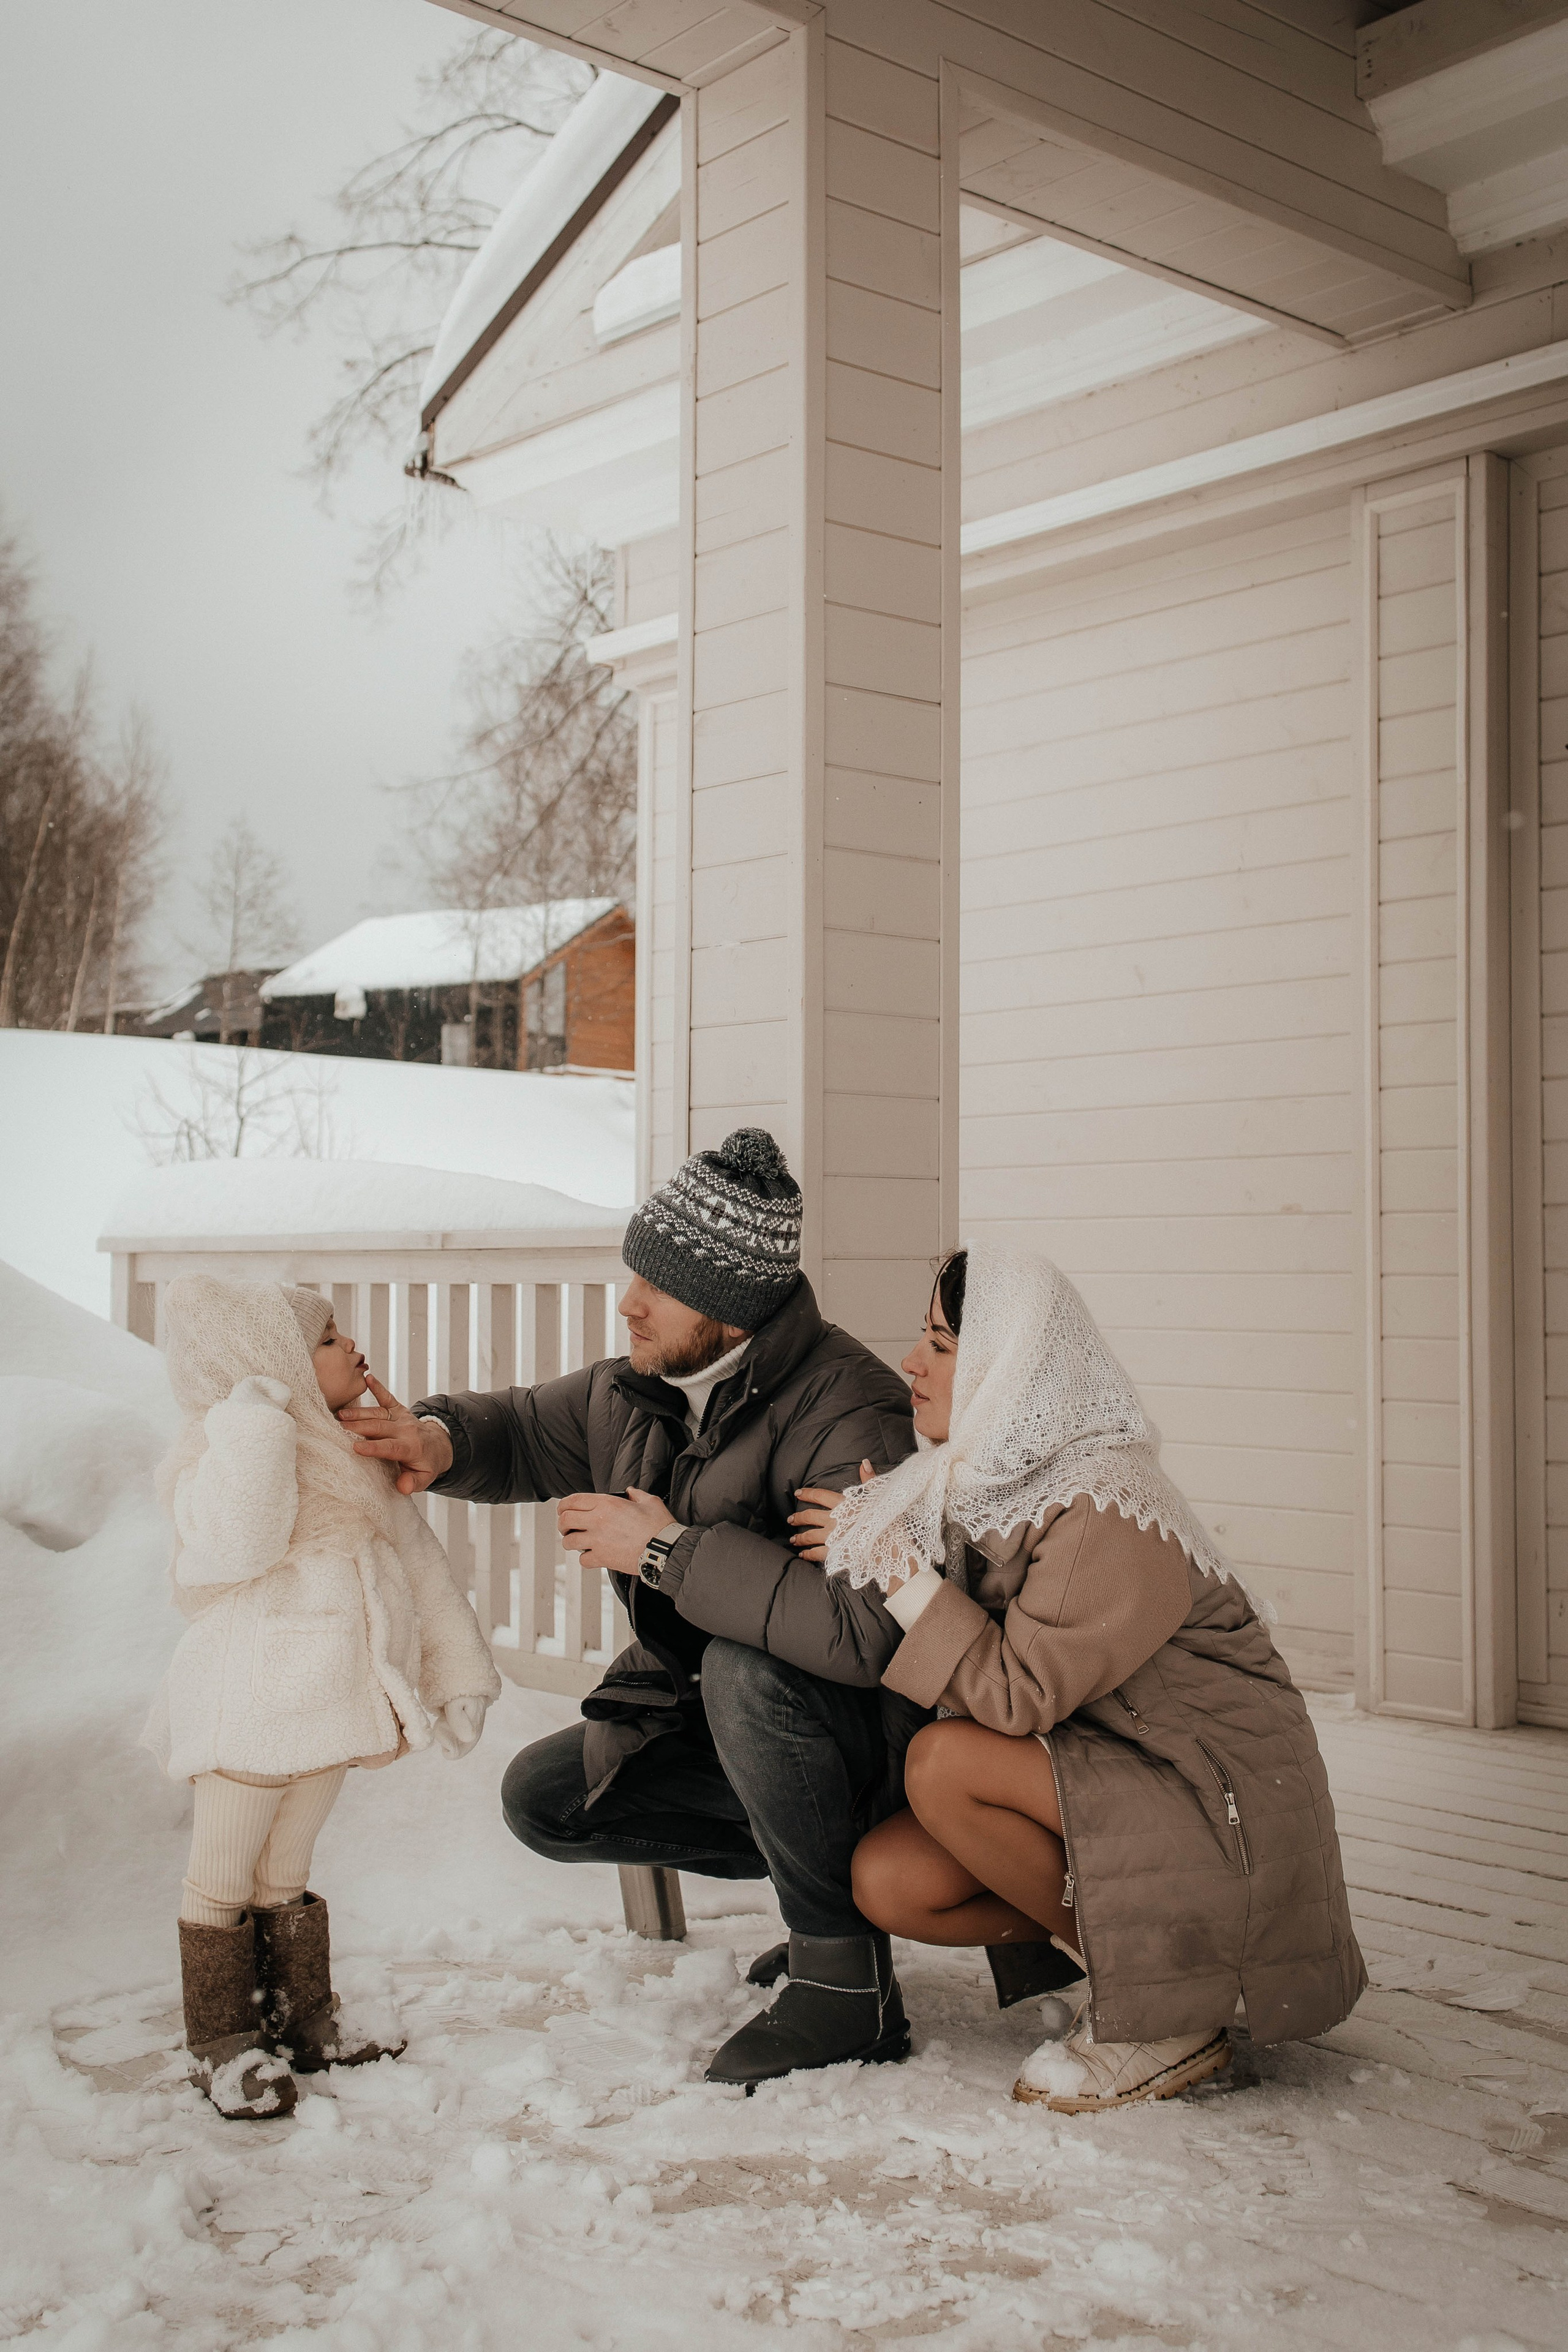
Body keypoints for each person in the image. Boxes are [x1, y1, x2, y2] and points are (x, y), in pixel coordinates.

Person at [341, 1128, 924, 2090]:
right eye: (634, 1276)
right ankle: (827, 1894)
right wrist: (441, 1440)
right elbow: (527, 1425)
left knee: (747, 1670)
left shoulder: (850, 1411)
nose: (630, 1304)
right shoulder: (642, 1386)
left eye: (660, 1287)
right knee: (549, 1799)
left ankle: (844, 1982)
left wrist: (667, 1551)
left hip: (865, 1740)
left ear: (730, 1306)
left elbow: (863, 1633)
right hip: (712, 1718)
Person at [791, 1243, 1366, 2114]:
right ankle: (1144, 1958)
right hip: (1118, 1767)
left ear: (1010, 1366)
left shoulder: (1102, 1499)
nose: (911, 1361)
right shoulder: (984, 1478)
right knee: (891, 1881)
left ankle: (1169, 2010)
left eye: (942, 1345)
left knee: (945, 1765)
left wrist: (899, 1568)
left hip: (1219, 1800)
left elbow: (1016, 1698)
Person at [143, 1278, 501, 2120]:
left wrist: (457, 1676)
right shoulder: (219, 1450)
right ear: (270, 1362)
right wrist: (255, 1426)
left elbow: (419, 1567)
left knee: (286, 1872)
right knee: (222, 1876)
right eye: (329, 1338)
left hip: (334, 1705)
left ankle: (300, 2018)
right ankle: (223, 2040)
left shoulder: (353, 1453)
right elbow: (240, 1546)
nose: (354, 1347)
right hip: (248, 1710)